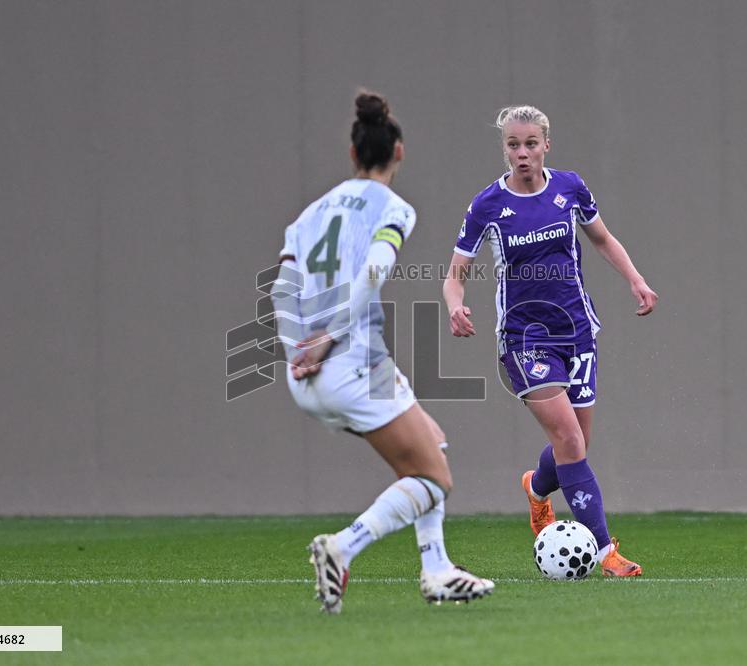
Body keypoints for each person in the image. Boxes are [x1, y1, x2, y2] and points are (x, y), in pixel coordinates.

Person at [271, 92, 494, 614]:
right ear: (399, 151)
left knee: (432, 446)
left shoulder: (308, 215)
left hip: (307, 373)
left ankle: (437, 570)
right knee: (434, 479)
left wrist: (296, 352)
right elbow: (373, 273)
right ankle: (340, 548)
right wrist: (328, 338)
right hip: (353, 361)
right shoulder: (394, 208)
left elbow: (282, 290)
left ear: (352, 155)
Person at [442, 105, 658, 577]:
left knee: (577, 443)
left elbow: (601, 239)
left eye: (530, 144)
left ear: (546, 145)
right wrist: (454, 304)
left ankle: (538, 488)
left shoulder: (569, 188)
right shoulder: (488, 206)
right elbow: (456, 271)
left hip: (577, 330)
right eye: (513, 145)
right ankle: (606, 554)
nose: (522, 153)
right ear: (504, 149)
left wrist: (636, 280)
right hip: (523, 339)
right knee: (567, 438)